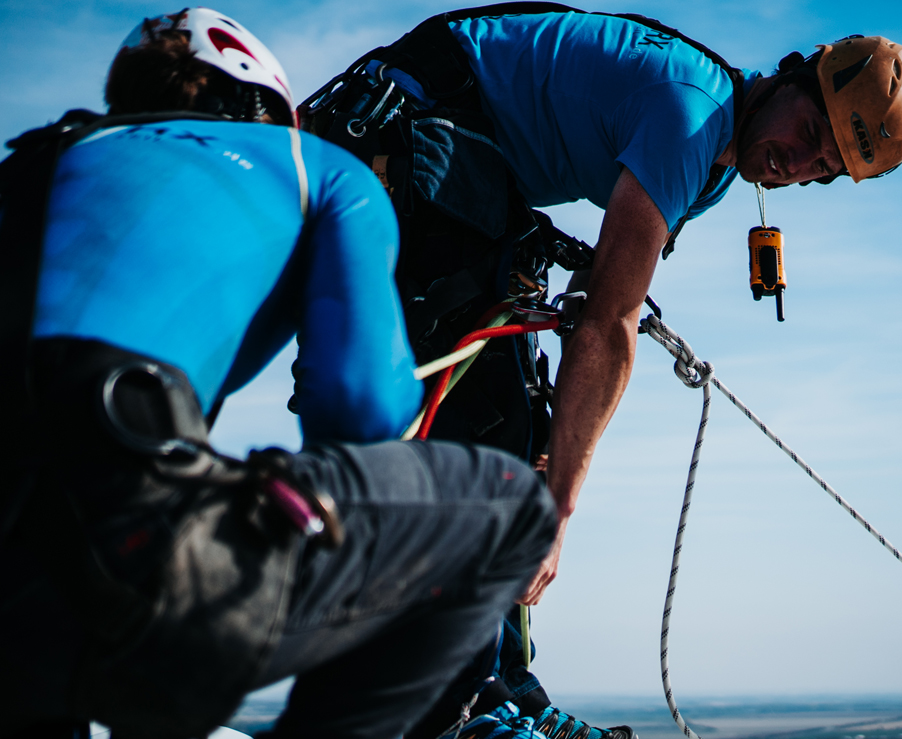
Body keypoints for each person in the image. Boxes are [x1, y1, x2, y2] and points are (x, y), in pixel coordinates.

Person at [300, 5, 902, 738]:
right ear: (794, 76)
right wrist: (558, 512)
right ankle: (464, 709)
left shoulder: (716, 153)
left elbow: (601, 310)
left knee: (515, 428)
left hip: (434, 138)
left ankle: (501, 692)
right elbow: (607, 322)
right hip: (408, 124)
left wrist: (554, 460)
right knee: (482, 428)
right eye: (812, 133)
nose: (800, 162)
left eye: (824, 168)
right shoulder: (693, 118)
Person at [0, 8, 556, 739]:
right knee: (509, 509)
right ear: (271, 107)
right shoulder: (310, 166)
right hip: (140, 565)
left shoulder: (33, 163)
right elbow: (357, 411)